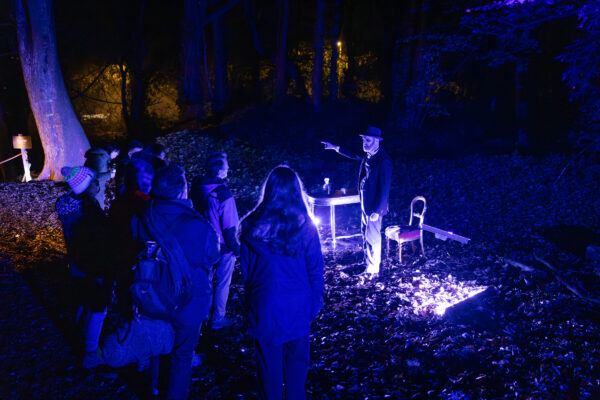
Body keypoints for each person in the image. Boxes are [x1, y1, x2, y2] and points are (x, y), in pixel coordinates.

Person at [130, 164, 220, 400]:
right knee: (182, 355)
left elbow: (134, 245)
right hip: (189, 298)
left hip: (152, 295)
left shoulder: (144, 217)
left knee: (159, 346)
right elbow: (212, 256)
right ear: (182, 190)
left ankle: (156, 389)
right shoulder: (196, 224)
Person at [240, 165, 324, 400]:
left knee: (268, 367)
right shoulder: (304, 225)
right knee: (297, 365)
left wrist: (249, 304)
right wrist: (316, 299)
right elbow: (315, 267)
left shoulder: (250, 226)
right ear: (296, 191)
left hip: (265, 302)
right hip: (297, 303)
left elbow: (246, 273)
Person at [55, 166, 115, 367]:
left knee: (83, 300)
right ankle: (90, 353)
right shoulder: (89, 209)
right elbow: (103, 239)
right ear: (87, 186)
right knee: (98, 307)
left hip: (76, 263)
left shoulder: (64, 204)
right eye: (94, 182)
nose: (98, 185)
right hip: (93, 264)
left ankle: (79, 335)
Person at [321, 126, 393, 277]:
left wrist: (377, 211)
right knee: (365, 233)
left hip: (374, 207)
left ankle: (373, 270)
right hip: (366, 203)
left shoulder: (384, 161)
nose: (364, 143)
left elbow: (384, 188)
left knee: (373, 236)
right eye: (363, 140)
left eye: (367, 140)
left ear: (377, 141)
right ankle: (369, 263)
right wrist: (335, 148)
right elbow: (353, 154)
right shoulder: (369, 154)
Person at [190, 153, 240, 329]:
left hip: (200, 244)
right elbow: (229, 225)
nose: (228, 169)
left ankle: (200, 316)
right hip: (222, 246)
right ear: (219, 170)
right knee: (222, 282)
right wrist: (236, 247)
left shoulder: (195, 189)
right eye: (226, 166)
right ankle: (217, 319)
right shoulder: (222, 192)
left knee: (204, 280)